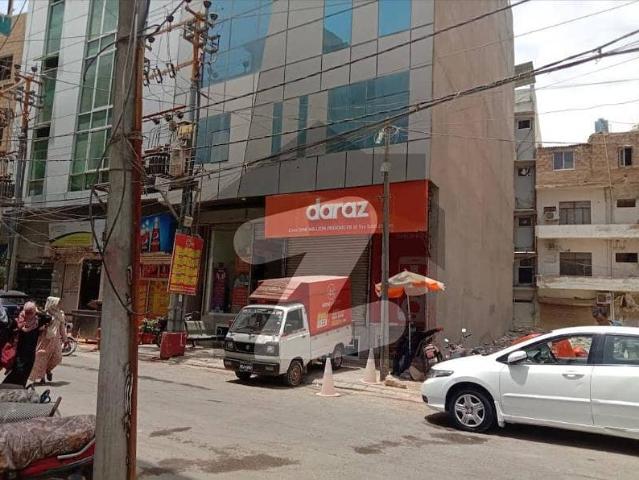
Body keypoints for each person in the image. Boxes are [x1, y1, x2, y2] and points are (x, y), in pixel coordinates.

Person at [30, 297, 66, 385]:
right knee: (42, 357)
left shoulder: (60, 314)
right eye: (57, 303)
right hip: (45, 338)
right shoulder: (44, 314)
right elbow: (39, 326)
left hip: (55, 339)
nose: (59, 305)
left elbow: (62, 328)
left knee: (57, 357)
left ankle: (48, 370)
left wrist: (65, 338)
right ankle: (42, 378)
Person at [3, 301, 40, 386]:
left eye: (31, 312)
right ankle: (5, 388)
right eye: (28, 312)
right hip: (20, 354)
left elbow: (47, 317)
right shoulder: (20, 322)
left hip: (30, 354)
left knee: (24, 373)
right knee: (18, 372)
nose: (29, 314)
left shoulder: (36, 321)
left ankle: (18, 390)